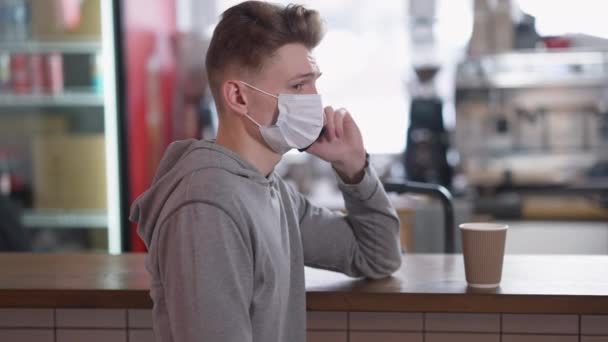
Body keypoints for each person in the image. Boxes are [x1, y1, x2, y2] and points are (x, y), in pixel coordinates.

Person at [130, 1, 401, 341]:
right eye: (298, 87)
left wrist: (353, 167)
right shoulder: (206, 207)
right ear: (239, 97)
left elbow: (377, 255)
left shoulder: (268, 189)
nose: (316, 103)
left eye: (314, 84)